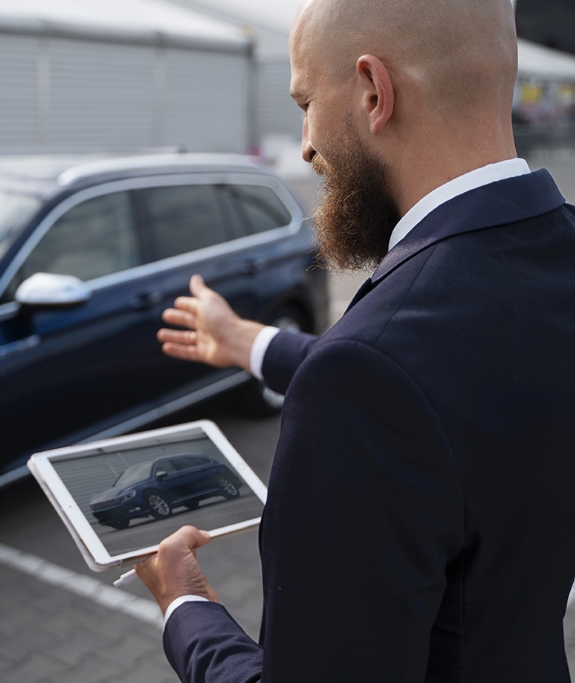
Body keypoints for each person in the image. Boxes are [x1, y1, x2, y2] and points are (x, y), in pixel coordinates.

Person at [135, 0, 575, 680]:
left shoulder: (370, 375)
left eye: (306, 102)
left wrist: (185, 607)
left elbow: (395, 383)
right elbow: (454, 391)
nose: (305, 146)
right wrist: (248, 341)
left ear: (374, 91)